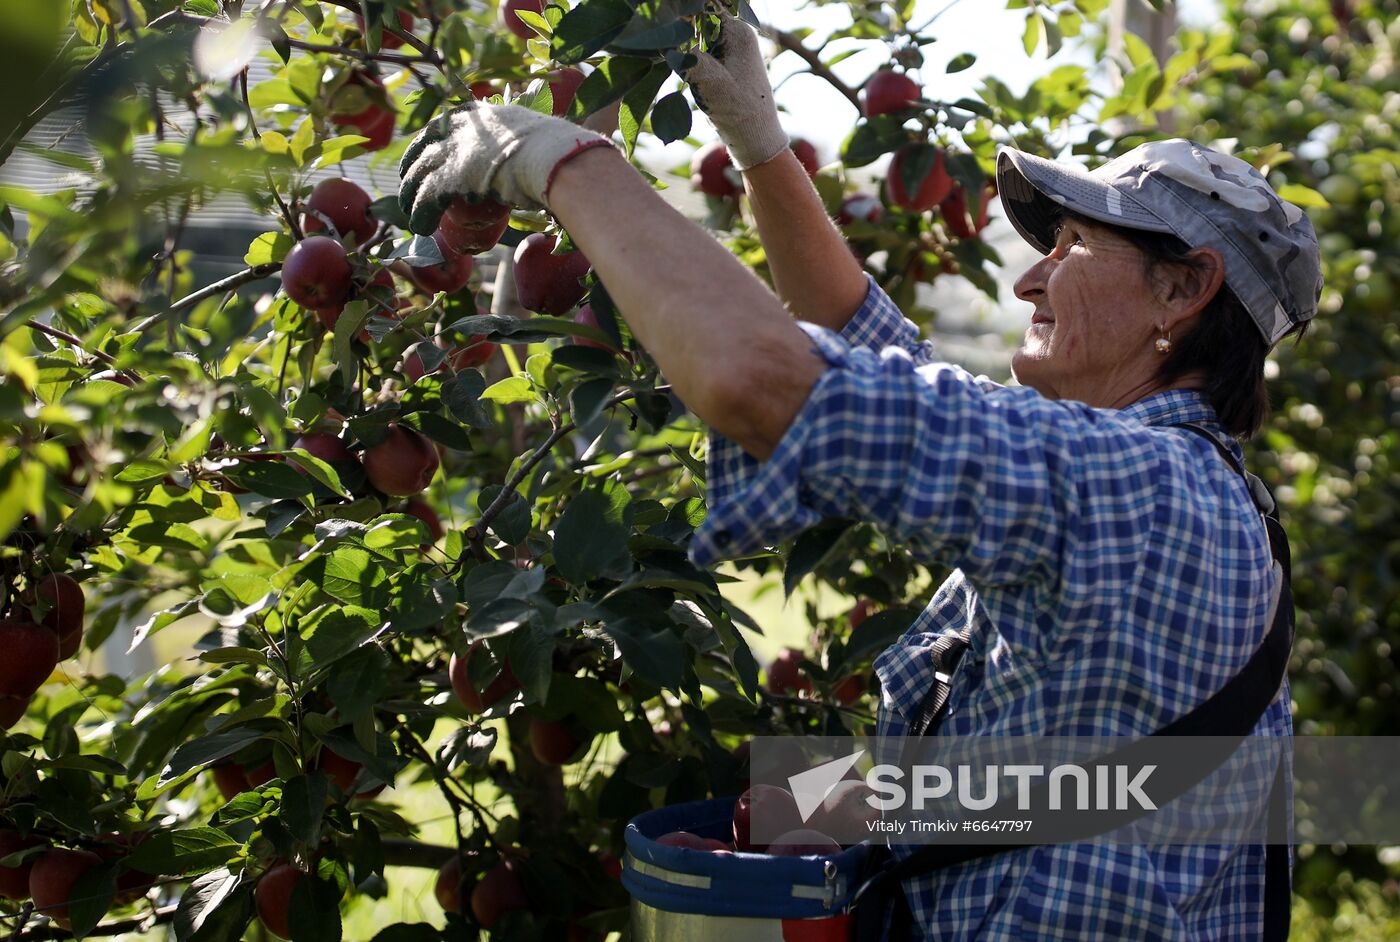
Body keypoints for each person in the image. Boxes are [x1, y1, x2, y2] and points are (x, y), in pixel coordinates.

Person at [399, 13, 1321, 939]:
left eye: (1072, 247)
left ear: (1182, 289)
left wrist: (563, 160)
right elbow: (874, 351)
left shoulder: (1145, 493)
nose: (1027, 282)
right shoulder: (1176, 487)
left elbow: (766, 381)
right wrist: (761, 147)